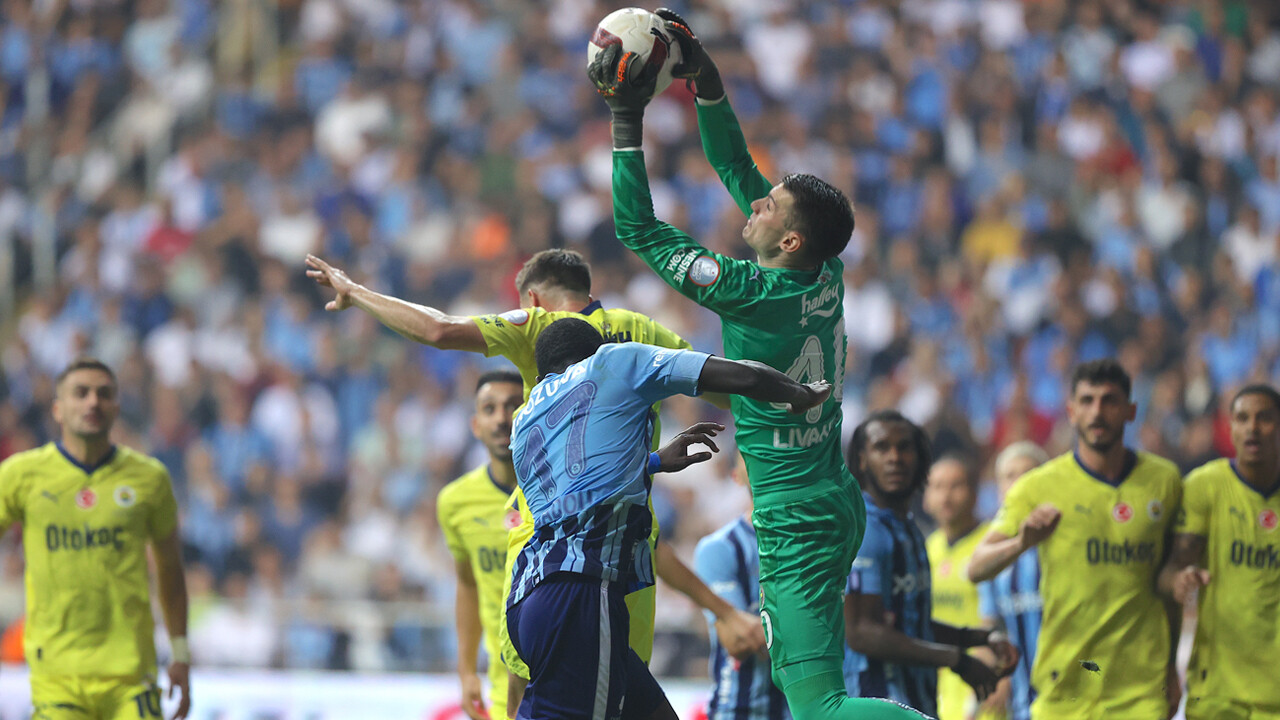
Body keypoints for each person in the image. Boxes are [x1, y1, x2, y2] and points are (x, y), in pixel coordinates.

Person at [589, 13, 921, 720]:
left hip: (798, 520)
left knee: (818, 708)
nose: (757, 199)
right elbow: (738, 168)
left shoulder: (751, 291)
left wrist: (626, 119)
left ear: (790, 237)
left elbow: (637, 231)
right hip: (831, 493)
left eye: (771, 206)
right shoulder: (823, 271)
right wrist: (704, 79)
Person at [306, 249, 765, 700]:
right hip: (627, 544)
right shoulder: (643, 332)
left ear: (533, 299)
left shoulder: (540, 325)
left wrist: (356, 292)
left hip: (547, 544)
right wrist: (791, 394)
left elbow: (438, 329)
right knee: (617, 692)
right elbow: (730, 388)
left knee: (528, 688)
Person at [507, 317, 830, 720]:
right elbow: (737, 374)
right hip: (581, 592)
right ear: (598, 348)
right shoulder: (613, 361)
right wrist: (796, 393)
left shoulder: (523, 419)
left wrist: (655, 461)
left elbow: (576, 487)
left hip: (530, 598)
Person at [968, 359, 1183, 720]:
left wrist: (1172, 668)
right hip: (1065, 688)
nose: (1097, 411)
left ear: (1131, 410)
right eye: (1086, 400)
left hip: (1140, 689)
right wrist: (1021, 542)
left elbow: (1168, 585)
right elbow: (976, 568)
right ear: (1070, 411)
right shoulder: (1039, 486)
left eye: (1109, 400)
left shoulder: (1165, 482)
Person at [0, 358, 191, 720]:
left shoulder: (149, 478)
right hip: (57, 676)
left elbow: (170, 570)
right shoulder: (20, 476)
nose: (93, 402)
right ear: (57, 408)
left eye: (104, 394)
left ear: (116, 407)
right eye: (81, 393)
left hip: (131, 674)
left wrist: (180, 653)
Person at [843, 411, 1011, 717]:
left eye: (905, 447)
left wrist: (975, 639)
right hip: (876, 702)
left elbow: (911, 623)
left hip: (917, 700)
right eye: (882, 448)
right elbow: (861, 630)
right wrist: (957, 660)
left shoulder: (909, 530)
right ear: (862, 460)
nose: (895, 457)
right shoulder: (864, 529)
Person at [1158, 384, 1280, 720]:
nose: (1252, 428)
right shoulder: (1204, 487)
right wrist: (1180, 581)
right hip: (1217, 692)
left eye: (1265, 418)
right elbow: (1169, 574)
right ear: (1230, 427)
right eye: (1242, 418)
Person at [438, 370, 525, 720]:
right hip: (504, 692)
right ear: (475, 425)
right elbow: (467, 583)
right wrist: (466, 671)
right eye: (490, 409)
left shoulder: (563, 493)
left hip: (567, 683)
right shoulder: (455, 502)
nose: (502, 419)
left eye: (513, 407)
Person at [694, 454, 789, 720]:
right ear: (735, 474)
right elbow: (738, 640)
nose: (764, 458)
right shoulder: (720, 548)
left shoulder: (821, 543)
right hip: (743, 711)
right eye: (750, 453)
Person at [923, 456, 1006, 720]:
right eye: (937, 486)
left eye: (955, 486)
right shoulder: (927, 548)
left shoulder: (991, 544)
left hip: (985, 686)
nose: (945, 496)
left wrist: (1005, 677)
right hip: (939, 689)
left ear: (974, 492)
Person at [974, 442, 1050, 720]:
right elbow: (992, 626)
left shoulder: (1068, 544)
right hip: (1021, 707)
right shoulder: (989, 558)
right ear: (997, 488)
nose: (1019, 483)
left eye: (1029, 474)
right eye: (1009, 476)